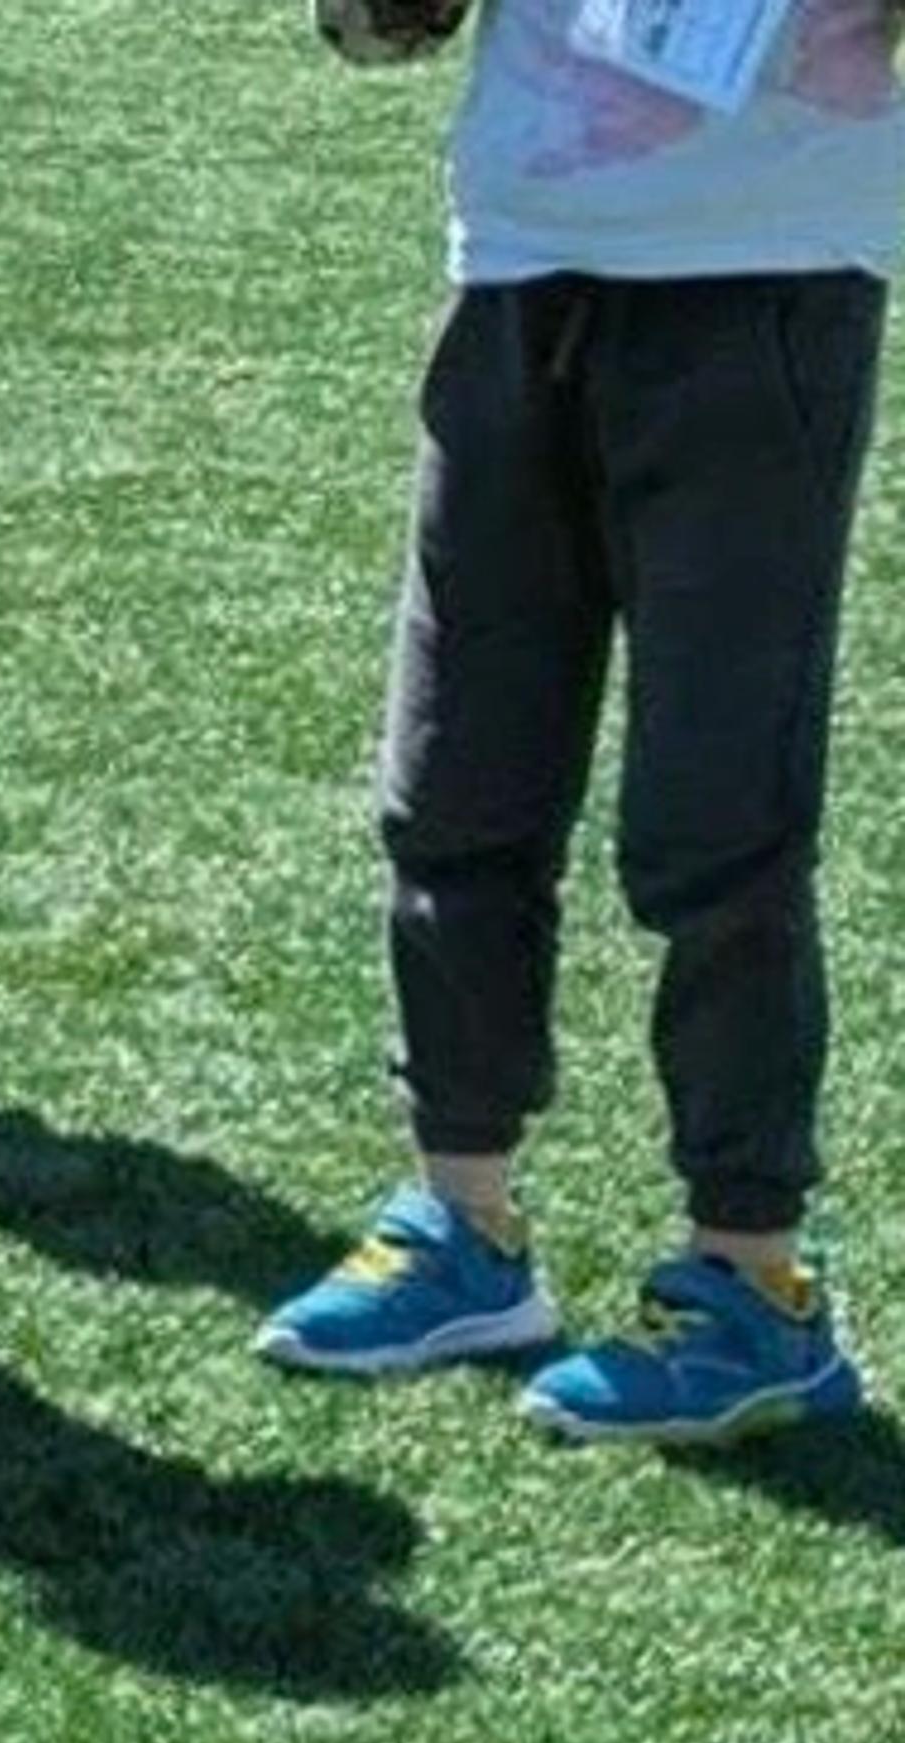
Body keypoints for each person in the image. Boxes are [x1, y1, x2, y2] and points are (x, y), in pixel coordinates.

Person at [256, 0, 898, 1442]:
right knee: (455, 777)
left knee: (719, 808)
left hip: (767, 271)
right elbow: (374, 31)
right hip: (520, 258)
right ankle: (461, 1219)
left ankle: (754, 1280)